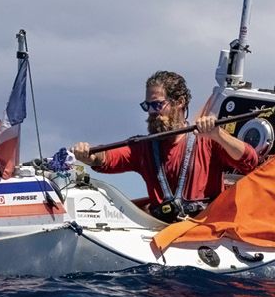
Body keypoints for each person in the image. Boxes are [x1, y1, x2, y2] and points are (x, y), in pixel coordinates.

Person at [71, 70, 259, 221]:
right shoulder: (144, 147)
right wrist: (89, 156)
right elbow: (107, 158)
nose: (152, 112)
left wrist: (219, 135)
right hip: (163, 230)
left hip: (204, 232)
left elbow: (250, 161)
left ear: (179, 102)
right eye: (147, 106)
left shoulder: (207, 140)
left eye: (158, 105)